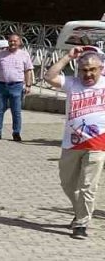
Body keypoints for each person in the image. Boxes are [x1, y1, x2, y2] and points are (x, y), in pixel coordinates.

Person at [43, 46, 105, 239]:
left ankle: (81, 224)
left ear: (101, 69)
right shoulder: (72, 83)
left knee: (88, 186)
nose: (88, 74)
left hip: (97, 144)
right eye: (84, 70)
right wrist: (68, 57)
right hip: (71, 143)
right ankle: (79, 212)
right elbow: (49, 77)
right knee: (68, 184)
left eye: (92, 69)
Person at [0, 33, 34, 142]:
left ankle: (16, 133)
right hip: (1, 85)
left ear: (19, 42)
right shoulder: (1, 54)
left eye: (15, 41)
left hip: (16, 86)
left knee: (16, 111)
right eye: (10, 41)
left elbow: (28, 70)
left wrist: (28, 85)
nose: (12, 43)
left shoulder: (24, 55)